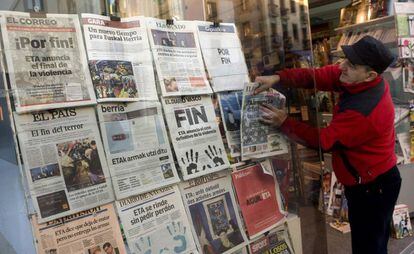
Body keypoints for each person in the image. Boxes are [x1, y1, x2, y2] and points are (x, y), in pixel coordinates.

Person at [255, 35, 401, 254]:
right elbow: (315, 76)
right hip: (366, 180)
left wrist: (284, 122)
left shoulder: (365, 111)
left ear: (369, 75)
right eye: (344, 59)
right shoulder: (354, 79)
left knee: (369, 246)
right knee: (366, 242)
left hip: (374, 187)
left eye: (350, 65)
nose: (341, 66)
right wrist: (278, 77)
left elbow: (323, 141)